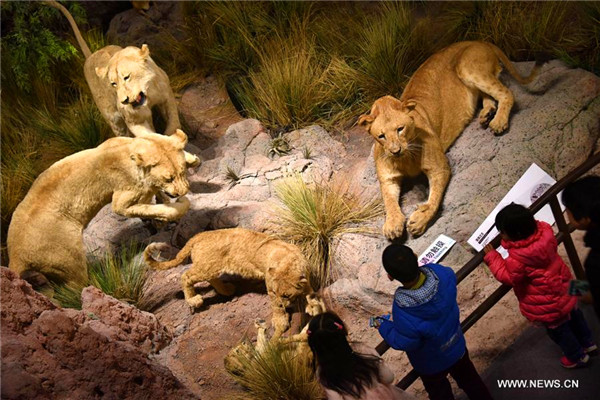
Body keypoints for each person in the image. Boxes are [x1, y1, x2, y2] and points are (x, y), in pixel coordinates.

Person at [483, 203, 596, 368]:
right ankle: (589, 343)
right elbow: (539, 225)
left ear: (514, 234)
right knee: (575, 315)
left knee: (560, 330)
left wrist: (493, 257)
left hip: (548, 304)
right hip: (566, 285)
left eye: (502, 232)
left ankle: (576, 357)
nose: (501, 235)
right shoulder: (547, 234)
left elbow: (508, 277)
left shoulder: (517, 260)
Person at [376, 244, 492, 400]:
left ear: (390, 276)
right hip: (456, 346)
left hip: (431, 364)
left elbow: (405, 341)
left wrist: (384, 325)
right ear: (416, 257)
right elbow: (450, 277)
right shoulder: (441, 274)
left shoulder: (403, 309)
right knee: (471, 381)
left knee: (440, 395)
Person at [307, 312, 414, 400]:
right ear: (342, 331)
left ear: (313, 344)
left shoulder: (322, 375)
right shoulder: (361, 350)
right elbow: (388, 377)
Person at [562, 175, 600, 320]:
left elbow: (593, 297)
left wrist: (572, 287)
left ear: (585, 218)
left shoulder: (594, 262)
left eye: (569, 209)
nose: (566, 213)